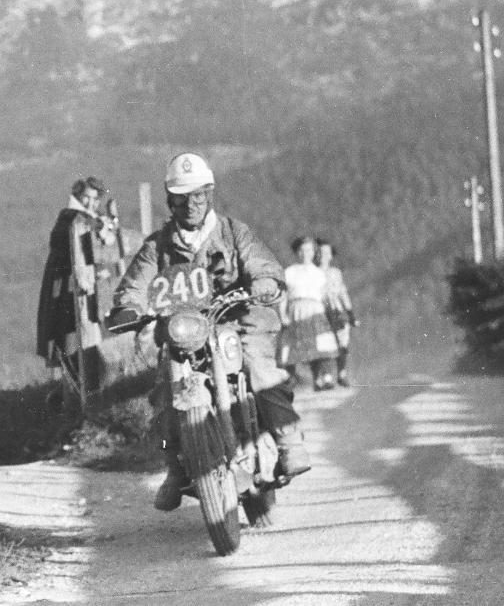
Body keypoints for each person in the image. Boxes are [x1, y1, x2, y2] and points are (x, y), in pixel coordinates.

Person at [108, 153, 311, 512]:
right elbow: (136, 283)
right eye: (181, 198)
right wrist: (129, 306)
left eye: (198, 196)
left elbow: (261, 262)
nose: (191, 205)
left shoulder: (233, 232)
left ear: (209, 194)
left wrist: (264, 280)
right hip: (184, 331)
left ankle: (288, 441)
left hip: (237, 319)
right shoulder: (158, 246)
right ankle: (173, 467)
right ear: (170, 200)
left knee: (260, 368)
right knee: (163, 395)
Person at [36, 177, 109, 411]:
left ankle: (75, 390)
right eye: (86, 197)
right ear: (78, 197)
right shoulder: (70, 217)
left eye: (95, 198)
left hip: (74, 282)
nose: (90, 202)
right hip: (65, 285)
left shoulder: (83, 218)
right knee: (69, 335)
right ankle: (73, 393)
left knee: (78, 335)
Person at [279, 236, 339, 391]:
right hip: (296, 311)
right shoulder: (289, 272)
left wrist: (333, 313)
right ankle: (289, 381)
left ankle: (323, 378)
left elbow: (326, 296)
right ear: (296, 252)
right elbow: (283, 296)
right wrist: (282, 314)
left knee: (321, 344)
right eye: (301, 250)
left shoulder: (319, 273)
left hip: (316, 311)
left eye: (309, 250)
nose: (305, 254)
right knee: (293, 348)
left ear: (314, 252)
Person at [316, 238, 358, 387]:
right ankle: (327, 377)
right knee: (324, 343)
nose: (324, 255)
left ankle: (341, 374)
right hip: (320, 310)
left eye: (327, 252)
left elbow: (342, 293)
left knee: (342, 342)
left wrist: (350, 313)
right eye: (321, 252)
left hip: (337, 309)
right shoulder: (313, 272)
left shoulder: (335, 272)